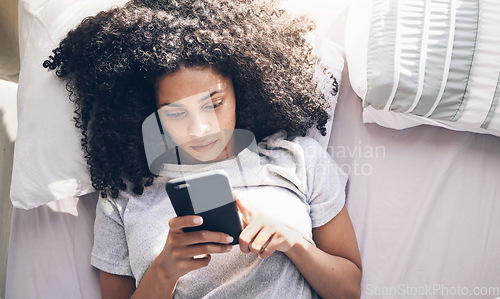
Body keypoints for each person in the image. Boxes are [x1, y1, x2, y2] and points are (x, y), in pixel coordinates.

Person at [43, 0, 362, 298]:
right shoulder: (124, 194)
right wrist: (164, 270)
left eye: (214, 104)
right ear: (148, 111)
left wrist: (293, 243)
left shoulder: (300, 159)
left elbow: (349, 289)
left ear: (244, 87)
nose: (200, 129)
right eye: (176, 113)